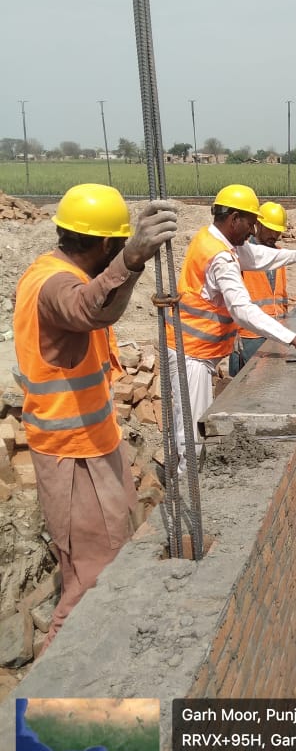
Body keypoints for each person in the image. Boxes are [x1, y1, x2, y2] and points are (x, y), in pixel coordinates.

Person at [14, 184, 178, 649]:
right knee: (90, 583)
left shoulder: (60, 270)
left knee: (110, 557)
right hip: (72, 458)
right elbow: (88, 310)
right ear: (106, 245)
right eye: (116, 247)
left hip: (92, 445)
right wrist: (132, 259)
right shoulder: (53, 284)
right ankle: (58, 702)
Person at [166, 185, 296, 470]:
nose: (253, 229)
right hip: (192, 354)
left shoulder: (214, 240)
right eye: (251, 221)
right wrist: (295, 339)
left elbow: (257, 257)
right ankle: (187, 486)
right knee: (191, 436)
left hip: (197, 350)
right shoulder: (220, 257)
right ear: (234, 219)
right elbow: (242, 310)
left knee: (192, 425)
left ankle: (190, 480)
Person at [228, 201, 294, 377]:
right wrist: (232, 333)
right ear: (258, 225)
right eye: (270, 229)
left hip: (275, 331)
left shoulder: (279, 254)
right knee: (248, 387)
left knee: (273, 383)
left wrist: (284, 325)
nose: (275, 234)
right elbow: (229, 297)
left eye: (278, 230)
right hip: (250, 335)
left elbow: (281, 295)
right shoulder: (241, 252)